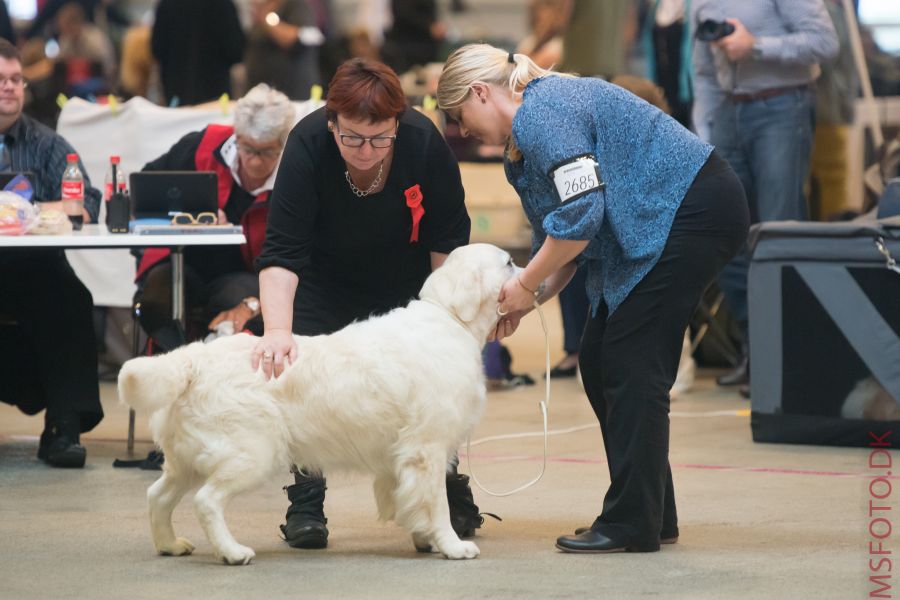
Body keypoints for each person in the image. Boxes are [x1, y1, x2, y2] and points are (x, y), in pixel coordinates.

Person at [436, 44, 749, 553]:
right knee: (601, 360)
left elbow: (581, 217)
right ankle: (650, 511)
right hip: (669, 216)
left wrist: (520, 287)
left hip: (693, 210)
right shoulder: (521, 150)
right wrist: (524, 299)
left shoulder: (543, 112)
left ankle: (631, 522)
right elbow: (556, 243)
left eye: (459, 115)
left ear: (479, 92)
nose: (462, 130)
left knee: (630, 360)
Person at [250, 58, 482, 550]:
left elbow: (449, 245)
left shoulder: (423, 142)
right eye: (352, 137)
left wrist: (448, 326)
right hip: (323, 280)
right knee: (305, 381)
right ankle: (306, 501)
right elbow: (282, 253)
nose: (365, 150)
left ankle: (439, 490)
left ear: (397, 124)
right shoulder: (308, 143)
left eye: (380, 139)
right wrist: (276, 332)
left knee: (431, 393)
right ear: (332, 122)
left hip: (408, 284)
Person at [690, 0, 838, 393]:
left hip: (783, 105)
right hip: (726, 110)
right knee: (724, 234)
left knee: (779, 232)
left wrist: (756, 46)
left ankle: (785, 358)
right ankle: (759, 349)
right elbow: (703, 71)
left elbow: (825, 42)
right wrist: (702, 133)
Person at [0, 39, 102, 468]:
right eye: (0, 80)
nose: (9, 88)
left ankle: (64, 428)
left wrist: (24, 210)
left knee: (72, 298)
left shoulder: (47, 144)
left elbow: (88, 201)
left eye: (15, 79)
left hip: (36, 268)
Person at [134, 84, 295, 351]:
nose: (254, 162)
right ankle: (172, 364)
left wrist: (252, 303)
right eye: (247, 149)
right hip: (181, 262)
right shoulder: (201, 147)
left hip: (249, 277)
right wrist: (189, 217)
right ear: (236, 136)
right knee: (156, 301)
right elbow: (147, 194)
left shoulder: (294, 175)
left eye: (266, 152)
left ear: (283, 144)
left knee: (239, 303)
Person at [151, 0, 245, 105]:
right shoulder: (223, 4)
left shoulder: (166, 4)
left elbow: (157, 50)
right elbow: (236, 51)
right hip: (215, 94)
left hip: (176, 92)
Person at [245, 0, 324, 101]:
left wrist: (267, 19)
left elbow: (295, 39)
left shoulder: (298, 5)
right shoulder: (265, 6)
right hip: (263, 89)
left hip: (291, 89)